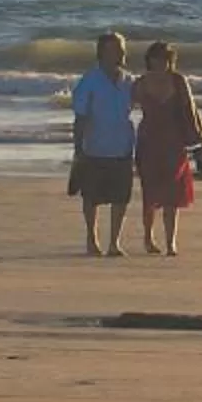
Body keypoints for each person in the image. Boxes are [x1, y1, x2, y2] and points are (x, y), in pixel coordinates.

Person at [131, 39, 202, 257]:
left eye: (165, 59)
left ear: (170, 61)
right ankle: (148, 238)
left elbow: (191, 111)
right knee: (150, 192)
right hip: (149, 141)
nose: (160, 63)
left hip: (174, 141)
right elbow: (124, 109)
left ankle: (170, 242)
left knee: (172, 194)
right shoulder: (141, 82)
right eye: (156, 59)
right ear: (149, 60)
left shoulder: (178, 81)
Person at [68, 32, 140, 256]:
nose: (120, 53)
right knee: (91, 196)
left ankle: (114, 243)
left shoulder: (129, 81)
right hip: (95, 147)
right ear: (102, 53)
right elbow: (80, 117)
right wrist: (78, 149)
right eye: (114, 49)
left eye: (121, 48)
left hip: (122, 146)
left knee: (121, 197)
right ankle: (92, 239)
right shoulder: (89, 80)